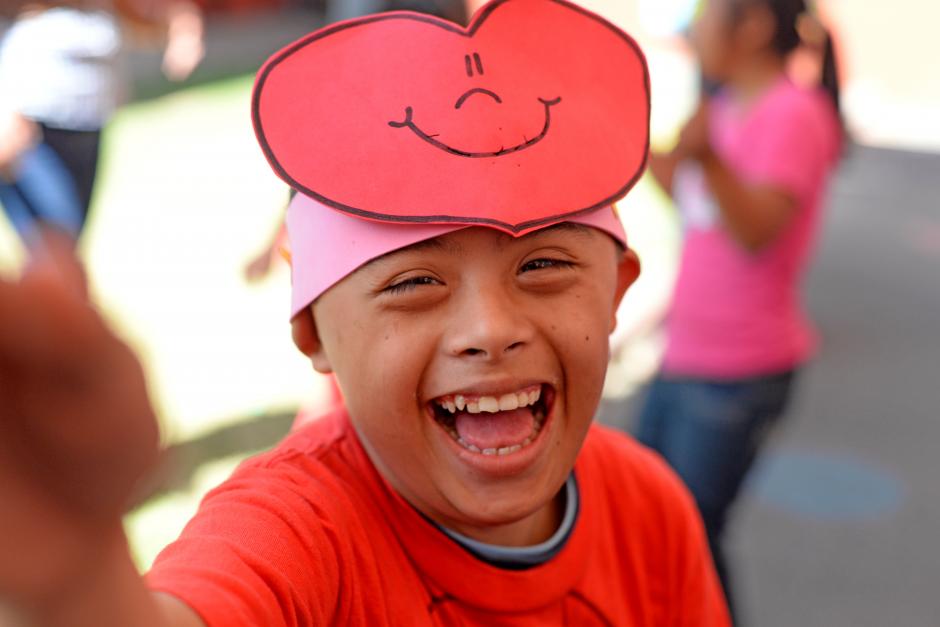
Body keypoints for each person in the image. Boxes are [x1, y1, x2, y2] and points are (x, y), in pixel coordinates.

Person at [0, 0, 731, 624]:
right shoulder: (300, 533)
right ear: (313, 327)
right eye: (415, 282)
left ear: (616, 290)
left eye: (542, 265)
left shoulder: (650, 510)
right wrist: (80, 581)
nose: (490, 329)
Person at [637, 0, 844, 621]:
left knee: (692, 536)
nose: (695, 30)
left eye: (706, 14)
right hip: (684, 355)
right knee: (652, 525)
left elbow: (757, 231)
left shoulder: (795, 113)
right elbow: (687, 195)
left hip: (738, 370)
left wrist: (708, 157)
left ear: (751, 24)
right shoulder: (721, 106)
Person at [0, 0, 204, 246]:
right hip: (30, 126)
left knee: (68, 242)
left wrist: (183, 31)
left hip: (88, 126)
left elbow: (152, 15)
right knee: (58, 242)